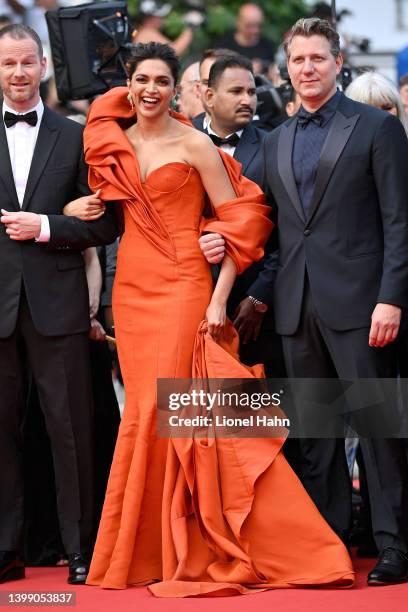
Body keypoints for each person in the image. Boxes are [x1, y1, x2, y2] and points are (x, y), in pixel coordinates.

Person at [79, 41, 353, 596]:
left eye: (162, 80)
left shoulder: (196, 144)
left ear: (181, 90)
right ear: (129, 85)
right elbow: (98, 213)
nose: (150, 89)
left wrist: (217, 299)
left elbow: (242, 222)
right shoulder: (115, 145)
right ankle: (143, 547)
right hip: (130, 289)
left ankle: (191, 542)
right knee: (141, 412)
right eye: (142, 79)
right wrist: (65, 211)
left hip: (185, 286)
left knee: (177, 408)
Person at [200, 17, 408, 586]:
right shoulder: (277, 138)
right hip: (294, 308)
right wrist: (218, 236)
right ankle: (330, 543)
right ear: (285, 67)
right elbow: (253, 215)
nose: (308, 69)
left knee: (378, 429)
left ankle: (394, 546)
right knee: (315, 437)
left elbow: (399, 222)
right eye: (298, 60)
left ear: (338, 63)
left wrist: (391, 298)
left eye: (318, 58)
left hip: (363, 306)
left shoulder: (376, 129)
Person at [0, 24, 118, 584]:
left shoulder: (76, 137)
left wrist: (47, 225)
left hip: (58, 304)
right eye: (7, 64)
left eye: (27, 63)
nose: (18, 74)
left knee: (71, 430)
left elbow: (107, 223)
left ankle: (81, 548)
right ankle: (8, 548)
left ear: (44, 64)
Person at [197, 54, 285, 377]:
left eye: (251, 92)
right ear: (208, 95)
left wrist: (260, 297)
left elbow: (286, 230)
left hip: (258, 309)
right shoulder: (180, 139)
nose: (248, 100)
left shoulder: (274, 146)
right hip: (190, 297)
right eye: (236, 92)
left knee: (263, 413)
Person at [217, 3, 275, 74]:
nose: (255, 30)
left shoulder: (267, 46)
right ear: (238, 23)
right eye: (250, 26)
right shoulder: (225, 47)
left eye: (259, 25)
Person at [193, 48, 239, 131]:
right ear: (198, 89)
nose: (217, 92)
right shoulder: (180, 136)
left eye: (226, 83)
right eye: (208, 83)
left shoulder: (265, 141)